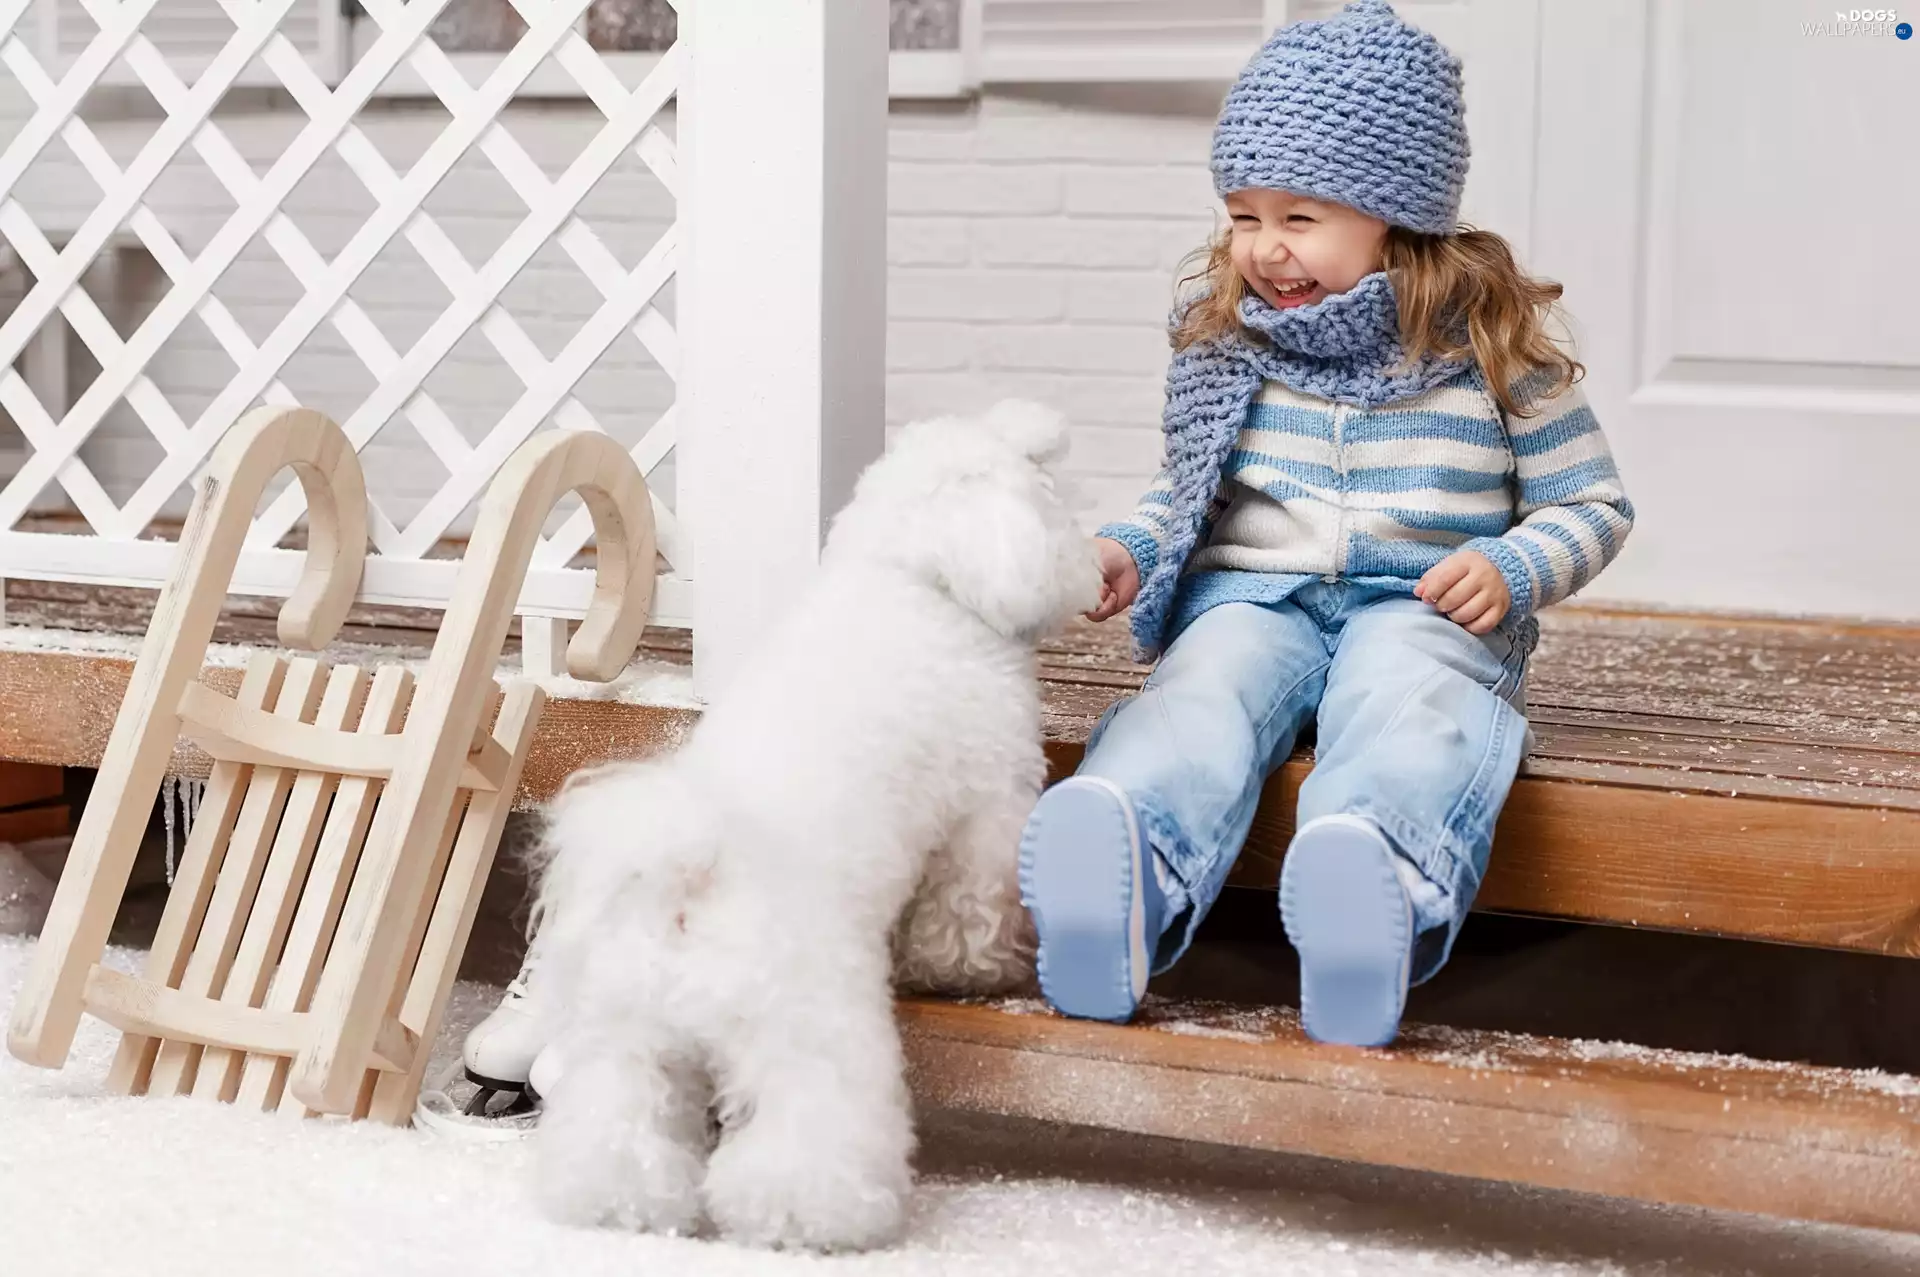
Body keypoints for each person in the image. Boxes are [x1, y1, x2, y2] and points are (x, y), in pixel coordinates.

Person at [1016, 0, 1635, 1048]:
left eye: (1299, 217)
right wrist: (1131, 546)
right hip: (1256, 597)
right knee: (1204, 684)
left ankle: (1376, 874)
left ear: (1395, 212)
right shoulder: (1233, 342)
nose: (1265, 249)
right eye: (1243, 215)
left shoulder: (1492, 343)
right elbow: (1189, 492)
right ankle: (1125, 860)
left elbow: (1593, 503)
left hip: (1423, 601)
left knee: (1416, 696)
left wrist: (1513, 565)